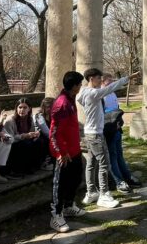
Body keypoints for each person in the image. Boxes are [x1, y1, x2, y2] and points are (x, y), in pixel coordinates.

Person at [78, 68, 140, 209]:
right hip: (96, 134)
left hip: (89, 132)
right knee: (104, 164)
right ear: (91, 79)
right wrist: (128, 77)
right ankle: (104, 195)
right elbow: (112, 87)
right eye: (99, 78)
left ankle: (91, 191)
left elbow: (80, 100)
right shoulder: (94, 93)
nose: (101, 81)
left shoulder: (83, 93)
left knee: (91, 163)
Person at [49, 71, 88, 233]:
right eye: (80, 84)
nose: (81, 86)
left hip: (74, 151)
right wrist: (60, 153)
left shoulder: (70, 100)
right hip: (64, 154)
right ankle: (56, 216)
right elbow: (55, 133)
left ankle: (68, 206)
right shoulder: (62, 104)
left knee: (75, 179)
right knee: (60, 185)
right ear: (74, 86)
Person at [101, 75, 141, 194]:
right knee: (113, 155)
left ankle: (127, 177)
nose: (112, 83)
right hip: (108, 130)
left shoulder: (112, 94)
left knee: (119, 154)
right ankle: (119, 181)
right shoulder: (101, 95)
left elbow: (116, 109)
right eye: (110, 81)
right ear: (103, 82)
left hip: (117, 129)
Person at [3, 98, 45, 176]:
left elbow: (31, 132)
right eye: (20, 107)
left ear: (29, 109)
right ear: (16, 108)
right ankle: (19, 169)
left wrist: (35, 134)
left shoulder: (30, 118)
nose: (22, 110)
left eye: (25, 107)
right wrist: (23, 136)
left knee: (40, 141)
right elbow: (10, 138)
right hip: (13, 145)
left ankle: (35, 165)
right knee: (26, 144)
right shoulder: (10, 121)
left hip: (25, 141)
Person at [33, 97, 56, 171]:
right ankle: (45, 162)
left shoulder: (53, 116)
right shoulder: (39, 116)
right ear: (44, 107)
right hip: (40, 137)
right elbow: (46, 131)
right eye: (49, 107)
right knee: (46, 141)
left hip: (49, 136)